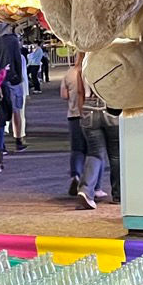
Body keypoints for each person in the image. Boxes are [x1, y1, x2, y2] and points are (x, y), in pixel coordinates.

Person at [76, 65, 120, 209]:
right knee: (115, 156)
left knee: (95, 153)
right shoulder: (111, 64)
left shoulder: (83, 68)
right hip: (110, 108)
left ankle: (86, 191)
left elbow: (80, 92)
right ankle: (118, 194)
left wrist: (83, 113)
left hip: (89, 110)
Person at [63, 58, 89, 197]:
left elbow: (63, 94)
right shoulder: (90, 70)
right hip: (89, 114)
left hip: (73, 114)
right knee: (93, 151)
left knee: (77, 149)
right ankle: (91, 184)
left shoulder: (69, 73)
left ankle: (75, 175)